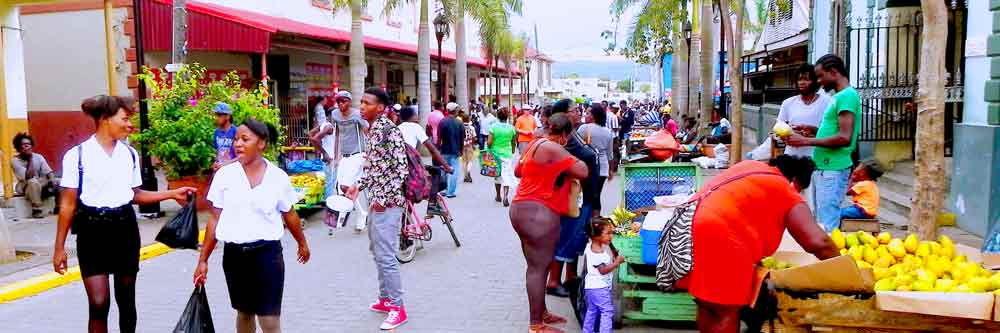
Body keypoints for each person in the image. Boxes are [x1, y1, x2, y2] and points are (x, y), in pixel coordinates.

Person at [53, 95, 195, 333]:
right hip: (92, 231)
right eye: (125, 119)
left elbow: (134, 195)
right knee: (99, 303)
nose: (130, 125)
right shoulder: (76, 156)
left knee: (126, 301)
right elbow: (67, 205)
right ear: (105, 119)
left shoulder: (129, 154)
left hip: (125, 229)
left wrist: (170, 195)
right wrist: (59, 248)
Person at [675, 156, 839, 333]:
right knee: (725, 310)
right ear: (796, 181)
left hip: (686, 229)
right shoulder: (784, 189)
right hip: (721, 237)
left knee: (707, 305)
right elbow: (818, 242)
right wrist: (845, 269)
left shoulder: (750, 167)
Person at [193, 119, 310, 333]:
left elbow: (290, 213)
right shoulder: (225, 176)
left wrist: (302, 243)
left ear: (262, 143)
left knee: (269, 318)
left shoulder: (278, 177)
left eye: (245, 139)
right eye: (236, 139)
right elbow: (214, 219)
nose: (238, 144)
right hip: (235, 257)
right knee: (244, 313)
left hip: (268, 255)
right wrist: (203, 260)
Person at [510, 113, 589, 333]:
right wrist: (571, 154)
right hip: (539, 213)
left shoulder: (534, 144)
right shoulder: (554, 148)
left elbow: (518, 171)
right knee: (538, 268)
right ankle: (536, 324)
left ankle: (541, 313)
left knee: (537, 265)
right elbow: (583, 170)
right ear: (565, 134)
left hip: (520, 209)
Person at [345, 87, 411, 330]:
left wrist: (385, 198)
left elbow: (401, 169)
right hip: (377, 201)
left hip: (389, 204)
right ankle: (385, 299)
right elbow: (375, 168)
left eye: (367, 103)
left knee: (386, 255)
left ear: (381, 108)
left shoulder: (388, 130)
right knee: (377, 250)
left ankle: (397, 307)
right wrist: (357, 187)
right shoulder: (374, 130)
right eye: (361, 102)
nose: (361, 106)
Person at [784, 54, 862, 232]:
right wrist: (813, 130)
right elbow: (835, 129)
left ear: (833, 72)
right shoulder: (840, 96)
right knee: (820, 220)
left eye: (820, 76)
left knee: (827, 223)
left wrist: (806, 140)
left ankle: (832, 259)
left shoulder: (847, 96)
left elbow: (844, 137)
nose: (819, 81)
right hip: (825, 167)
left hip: (833, 168)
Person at [547, 99, 600, 298]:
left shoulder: (573, 135)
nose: (579, 113)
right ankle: (553, 281)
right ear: (562, 115)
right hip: (572, 197)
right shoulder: (562, 141)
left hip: (584, 197)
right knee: (566, 238)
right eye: (574, 110)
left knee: (577, 238)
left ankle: (570, 277)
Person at [582, 219, 625, 333]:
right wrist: (616, 263)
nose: (611, 236)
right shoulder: (598, 253)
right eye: (608, 233)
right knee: (607, 311)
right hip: (600, 288)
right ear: (596, 236)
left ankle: (587, 331)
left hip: (590, 287)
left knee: (592, 311)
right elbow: (603, 270)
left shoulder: (590, 246)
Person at [577, 104, 615, 217]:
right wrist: (611, 170)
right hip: (603, 168)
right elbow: (610, 155)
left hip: (588, 167)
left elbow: (576, 147)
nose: (585, 115)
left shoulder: (584, 128)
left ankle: (586, 222)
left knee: (587, 196)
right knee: (597, 195)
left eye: (588, 113)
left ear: (593, 116)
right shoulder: (608, 132)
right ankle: (596, 222)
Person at [11, 133, 57, 218]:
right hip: (25, 185)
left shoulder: (38, 157)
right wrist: (30, 158)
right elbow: (28, 176)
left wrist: (52, 180)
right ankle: (37, 209)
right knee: (33, 182)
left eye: (29, 144)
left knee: (59, 181)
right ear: (19, 147)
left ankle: (59, 207)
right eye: (24, 145)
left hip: (39, 182)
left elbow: (48, 172)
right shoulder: (15, 161)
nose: (27, 147)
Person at [487, 108, 518, 206]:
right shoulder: (511, 128)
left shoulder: (493, 127)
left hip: (495, 154)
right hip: (507, 154)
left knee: (497, 175)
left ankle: (498, 196)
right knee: (506, 175)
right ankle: (505, 196)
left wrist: (488, 148)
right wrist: (513, 150)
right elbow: (514, 142)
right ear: (507, 116)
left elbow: (489, 142)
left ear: (497, 116)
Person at [437, 106, 466, 198]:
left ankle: (444, 189)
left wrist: (438, 149)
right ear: (455, 111)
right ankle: (451, 192)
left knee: (444, 170)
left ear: (448, 110)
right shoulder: (460, 123)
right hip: (455, 150)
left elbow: (439, 137)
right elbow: (462, 138)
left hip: (444, 150)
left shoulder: (442, 122)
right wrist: (461, 150)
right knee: (454, 171)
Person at [212, 102, 238, 171]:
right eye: (216, 115)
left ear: (228, 116)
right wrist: (216, 162)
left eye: (219, 115)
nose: (216, 118)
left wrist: (225, 164)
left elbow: (240, 157)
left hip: (233, 170)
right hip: (219, 169)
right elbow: (216, 151)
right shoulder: (216, 132)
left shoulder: (236, 131)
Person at [461, 111, 478, 183]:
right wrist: (473, 144)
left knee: (464, 161)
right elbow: (474, 137)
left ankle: (465, 176)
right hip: (469, 145)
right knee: (470, 160)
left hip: (462, 145)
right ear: (468, 119)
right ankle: (468, 172)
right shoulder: (471, 128)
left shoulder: (460, 127)